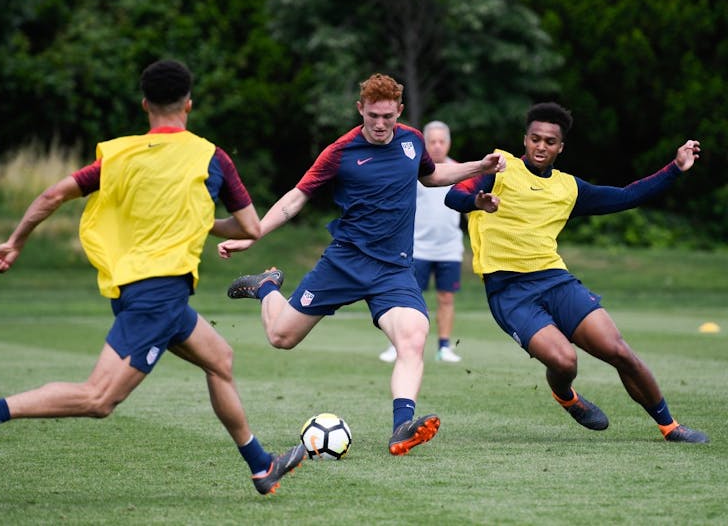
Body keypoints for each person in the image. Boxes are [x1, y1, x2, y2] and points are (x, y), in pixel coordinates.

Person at [0, 59, 306, 494]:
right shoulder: (212, 158)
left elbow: (53, 193)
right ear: (189, 104)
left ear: (145, 104)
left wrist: (16, 241)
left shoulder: (118, 155)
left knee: (219, 360)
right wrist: (201, 220)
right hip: (159, 296)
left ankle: (262, 467)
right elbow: (249, 227)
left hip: (144, 290)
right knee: (99, 399)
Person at [218, 73, 506, 456]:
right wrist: (251, 234)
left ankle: (402, 425)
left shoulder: (412, 140)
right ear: (361, 110)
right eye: (373, 116)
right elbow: (295, 199)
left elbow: (432, 175)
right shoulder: (341, 150)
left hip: (394, 270)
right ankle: (266, 286)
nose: (381, 124)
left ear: (399, 111)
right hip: (345, 264)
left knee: (413, 337)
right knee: (281, 338)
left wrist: (479, 167)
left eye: (388, 116)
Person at [444, 101, 708, 443]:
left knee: (619, 351)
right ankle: (566, 394)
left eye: (549, 141)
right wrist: (476, 202)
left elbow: (626, 196)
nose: (541, 146)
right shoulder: (498, 166)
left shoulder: (568, 188)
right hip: (509, 290)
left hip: (555, 280)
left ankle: (670, 426)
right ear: (524, 139)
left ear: (560, 147)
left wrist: (675, 167)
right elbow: (453, 196)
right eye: (535, 139)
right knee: (565, 362)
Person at [379, 120, 464, 364]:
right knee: (407, 299)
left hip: (449, 249)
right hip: (417, 247)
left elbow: (471, 207)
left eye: (442, 141)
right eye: (432, 141)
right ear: (424, 142)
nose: (437, 146)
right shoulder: (413, 168)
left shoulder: (459, 171)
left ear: (448, 143)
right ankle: (397, 346)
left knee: (446, 298)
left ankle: (444, 347)